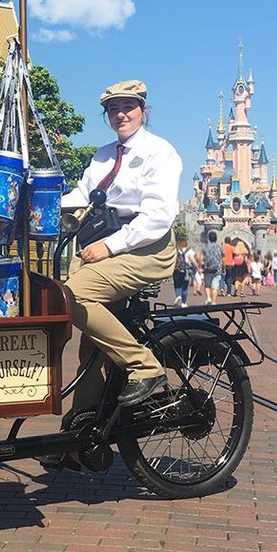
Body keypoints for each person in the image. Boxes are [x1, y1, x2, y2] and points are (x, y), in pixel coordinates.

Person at [59, 79, 181, 418]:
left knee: (75, 296)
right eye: (113, 109)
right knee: (94, 342)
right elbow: (80, 197)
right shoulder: (102, 156)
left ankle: (145, 368)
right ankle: (80, 432)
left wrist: (110, 247)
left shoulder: (160, 152)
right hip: (106, 245)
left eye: (127, 107)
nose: (120, 114)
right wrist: (38, 203)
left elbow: (157, 217)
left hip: (147, 248)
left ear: (143, 109)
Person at [172, 236, 195, 307]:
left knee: (177, 284)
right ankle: (184, 303)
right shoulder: (189, 250)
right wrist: (197, 267)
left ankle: (178, 295)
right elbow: (193, 260)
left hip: (176, 269)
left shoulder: (175, 250)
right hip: (186, 270)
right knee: (185, 287)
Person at [203, 230, 223, 305]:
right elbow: (223, 259)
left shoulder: (205, 248)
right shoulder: (219, 248)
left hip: (207, 269)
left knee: (207, 285)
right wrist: (223, 268)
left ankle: (208, 298)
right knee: (215, 286)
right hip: (217, 269)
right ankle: (214, 302)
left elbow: (202, 258)